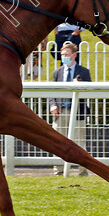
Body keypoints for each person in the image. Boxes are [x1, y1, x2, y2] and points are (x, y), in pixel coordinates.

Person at [48, 42, 91, 176]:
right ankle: (58, 170)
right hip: (61, 112)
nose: (64, 57)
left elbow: (90, 91)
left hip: (77, 112)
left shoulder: (83, 72)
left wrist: (81, 86)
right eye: (62, 55)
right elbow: (51, 92)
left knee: (79, 141)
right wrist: (52, 105)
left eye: (66, 54)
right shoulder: (57, 72)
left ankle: (83, 171)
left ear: (74, 55)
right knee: (57, 141)